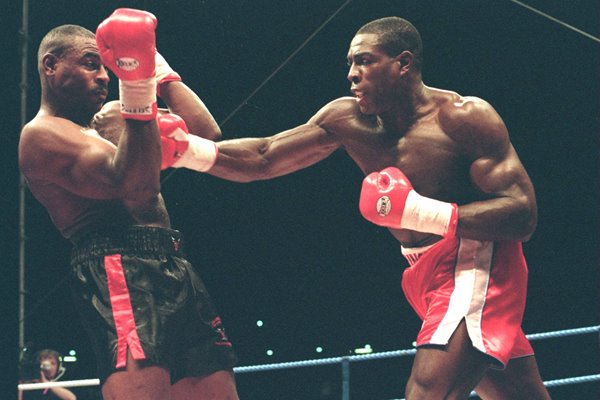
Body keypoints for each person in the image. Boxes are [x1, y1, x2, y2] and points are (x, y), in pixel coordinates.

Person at [163, 16, 551, 399]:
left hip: (476, 261)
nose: (352, 73)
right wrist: (185, 151)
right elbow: (265, 156)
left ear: (403, 63)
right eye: (350, 62)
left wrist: (419, 211)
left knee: (428, 391)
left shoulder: (462, 118)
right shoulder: (346, 119)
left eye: (364, 60)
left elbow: (521, 214)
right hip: (421, 271)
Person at [18, 8, 238, 400]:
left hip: (173, 261)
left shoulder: (111, 124)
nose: (104, 76)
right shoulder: (41, 135)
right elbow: (133, 187)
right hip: (118, 265)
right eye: (90, 64)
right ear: (50, 66)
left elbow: (206, 134)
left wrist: (157, 71)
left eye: (106, 67)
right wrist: (136, 88)